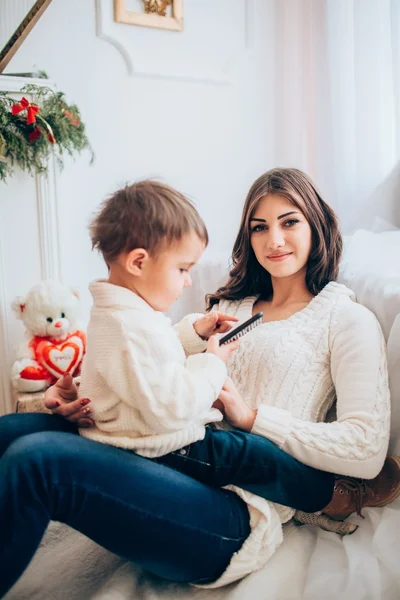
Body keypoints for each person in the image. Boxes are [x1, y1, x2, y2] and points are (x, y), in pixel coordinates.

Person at [0, 168, 398, 599]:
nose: (274, 240)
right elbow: (145, 367)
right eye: (259, 227)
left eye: (289, 222)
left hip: (233, 512)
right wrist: (81, 389)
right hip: (163, 453)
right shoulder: (227, 306)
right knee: (9, 433)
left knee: (38, 461)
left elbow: (365, 447)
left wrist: (252, 418)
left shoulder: (345, 318)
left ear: (316, 224)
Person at [76, 179, 334, 508]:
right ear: (138, 262)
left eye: (290, 221)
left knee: (243, 450)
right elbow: (172, 407)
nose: (188, 281)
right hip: (164, 450)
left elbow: (147, 360)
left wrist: (194, 334)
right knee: (250, 453)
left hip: (148, 443)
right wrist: (212, 361)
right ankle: (325, 495)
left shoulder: (121, 313)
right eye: (183, 269)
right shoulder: (130, 324)